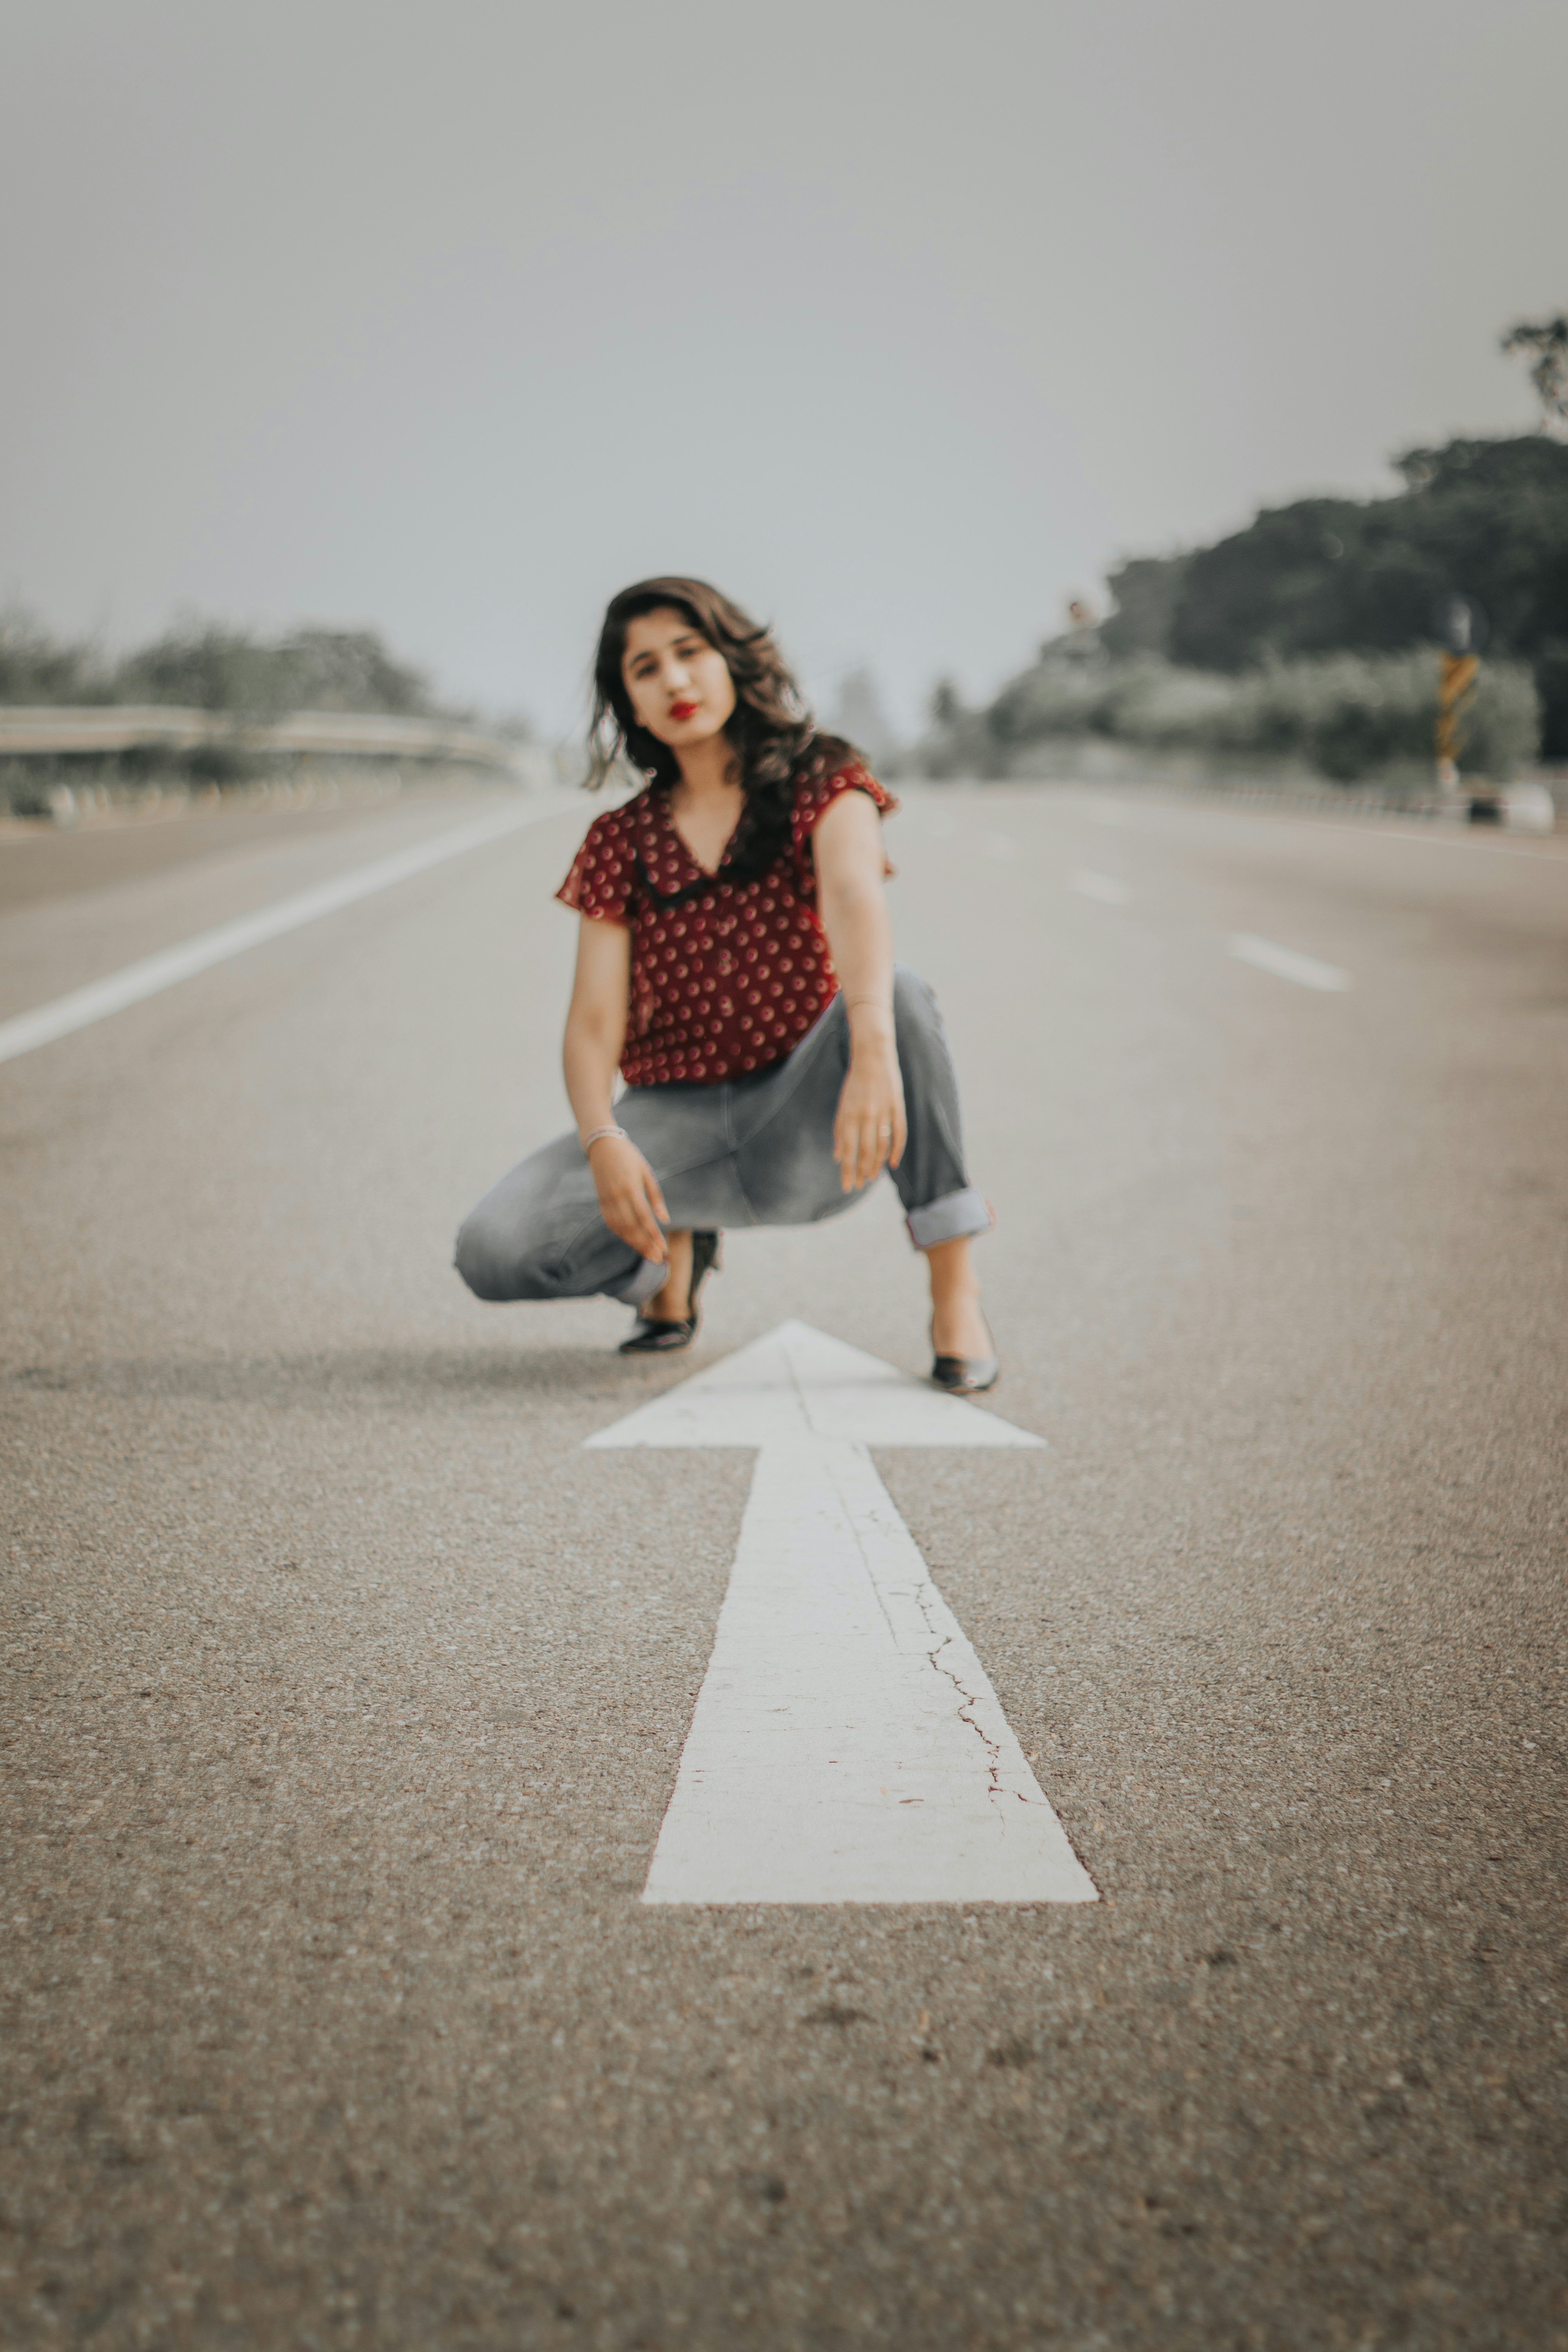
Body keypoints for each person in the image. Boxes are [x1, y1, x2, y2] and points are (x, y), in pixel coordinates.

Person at [455, 577, 998, 1390]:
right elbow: (593, 1024)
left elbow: (853, 899)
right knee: (491, 1249)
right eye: (644, 669)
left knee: (903, 996)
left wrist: (873, 1052)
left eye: (689, 652)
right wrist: (603, 1140)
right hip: (673, 1123)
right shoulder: (618, 841)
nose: (673, 682)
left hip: (805, 1113)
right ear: (627, 703)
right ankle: (669, 1255)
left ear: (732, 662)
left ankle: (954, 1290)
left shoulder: (824, 776)